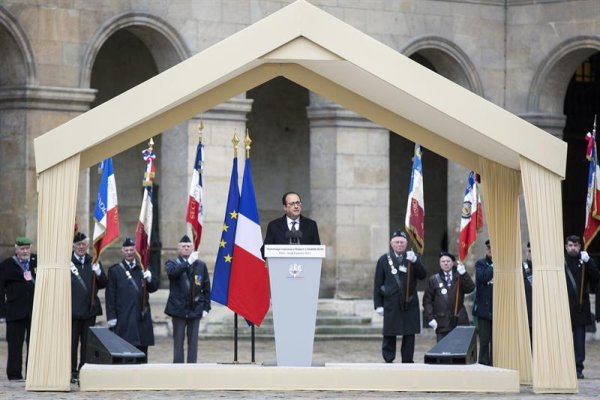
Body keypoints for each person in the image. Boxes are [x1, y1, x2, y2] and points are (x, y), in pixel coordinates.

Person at [373, 230, 427, 363]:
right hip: (391, 302)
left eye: (402, 242)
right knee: (390, 332)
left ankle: (407, 360)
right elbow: (377, 284)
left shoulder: (412, 258)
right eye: (396, 242)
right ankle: (388, 358)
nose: (399, 244)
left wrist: (415, 261)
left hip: (409, 301)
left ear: (406, 244)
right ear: (391, 243)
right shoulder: (384, 259)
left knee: (409, 333)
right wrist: (378, 305)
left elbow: (423, 275)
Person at [105, 237, 159, 360]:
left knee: (142, 350)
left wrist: (150, 278)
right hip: (125, 316)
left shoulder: (143, 267)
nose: (129, 252)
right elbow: (110, 296)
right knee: (125, 350)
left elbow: (154, 287)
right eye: (126, 250)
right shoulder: (115, 271)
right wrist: (111, 317)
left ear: (135, 251)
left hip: (142, 316)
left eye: (131, 250)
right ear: (122, 251)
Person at [164, 235, 211, 363]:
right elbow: (173, 273)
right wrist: (188, 263)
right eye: (183, 246)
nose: (186, 248)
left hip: (195, 308)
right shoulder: (171, 263)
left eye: (188, 246)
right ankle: (178, 367)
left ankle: (192, 367)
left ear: (192, 248)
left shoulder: (200, 265)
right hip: (178, 308)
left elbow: (206, 287)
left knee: (193, 342)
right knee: (178, 341)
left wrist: (206, 307)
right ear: (178, 249)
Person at [70, 232, 107, 383]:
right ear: (73, 246)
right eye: (78, 245)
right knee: (71, 344)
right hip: (72, 311)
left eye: (84, 244)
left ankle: (83, 369)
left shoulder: (94, 261)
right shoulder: (68, 262)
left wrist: (98, 272)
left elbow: (104, 283)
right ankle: (71, 371)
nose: (81, 247)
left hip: (89, 310)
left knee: (86, 344)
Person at [563, 235, 600, 379]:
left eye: (576, 245)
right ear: (566, 247)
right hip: (564, 307)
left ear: (580, 247)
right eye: (570, 245)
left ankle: (578, 368)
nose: (573, 248)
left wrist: (589, 261)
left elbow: (596, 277)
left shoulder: (584, 261)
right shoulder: (562, 262)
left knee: (579, 342)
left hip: (580, 307)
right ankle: (565, 366)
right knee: (564, 339)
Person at [0, 236, 37, 380]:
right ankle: (14, 374)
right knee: (14, 345)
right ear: (16, 250)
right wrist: (2, 313)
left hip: (34, 311)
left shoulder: (37, 261)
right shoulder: (7, 265)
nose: (25, 251)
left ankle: (32, 374)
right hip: (15, 311)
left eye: (27, 248)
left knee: (33, 345)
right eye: (22, 248)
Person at [423, 252, 475, 342]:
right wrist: (430, 318)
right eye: (443, 261)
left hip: (459, 320)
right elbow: (427, 301)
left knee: (459, 351)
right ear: (440, 263)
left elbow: (470, 288)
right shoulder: (434, 279)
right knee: (443, 352)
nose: (445, 263)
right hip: (442, 322)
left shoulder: (459, 277)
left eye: (448, 261)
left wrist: (464, 274)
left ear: (452, 263)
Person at [474, 239, 493, 366]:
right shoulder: (481, 263)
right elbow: (482, 278)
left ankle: (497, 362)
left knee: (498, 340)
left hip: (498, 307)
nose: (492, 252)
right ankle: (484, 364)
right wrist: (493, 266)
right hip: (484, 309)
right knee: (485, 340)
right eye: (490, 249)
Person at [522, 241, 533, 340]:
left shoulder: (542, 269)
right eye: (529, 251)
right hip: (526, 310)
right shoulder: (522, 267)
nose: (531, 253)